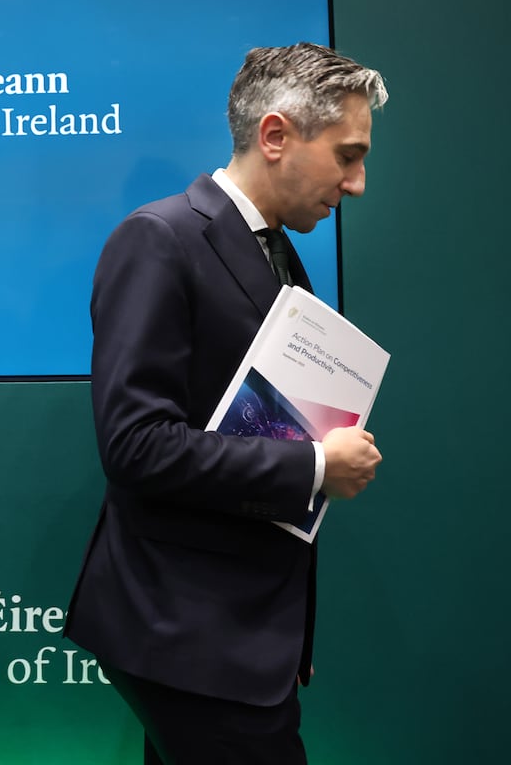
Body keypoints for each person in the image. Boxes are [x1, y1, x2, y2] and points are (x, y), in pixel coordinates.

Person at [64, 43, 388, 765]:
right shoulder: (159, 239)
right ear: (275, 137)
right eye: (347, 155)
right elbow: (136, 445)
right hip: (187, 633)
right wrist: (312, 465)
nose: (358, 182)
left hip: (234, 633)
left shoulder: (276, 250)